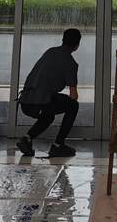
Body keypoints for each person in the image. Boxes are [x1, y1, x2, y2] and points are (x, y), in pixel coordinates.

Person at [17, 28, 81, 157]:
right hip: (40, 103)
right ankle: (58, 145)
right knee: (73, 106)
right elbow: (73, 96)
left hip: (25, 101)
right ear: (77, 45)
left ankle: (27, 139)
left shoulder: (50, 52)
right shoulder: (71, 63)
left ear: (63, 40)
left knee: (48, 115)